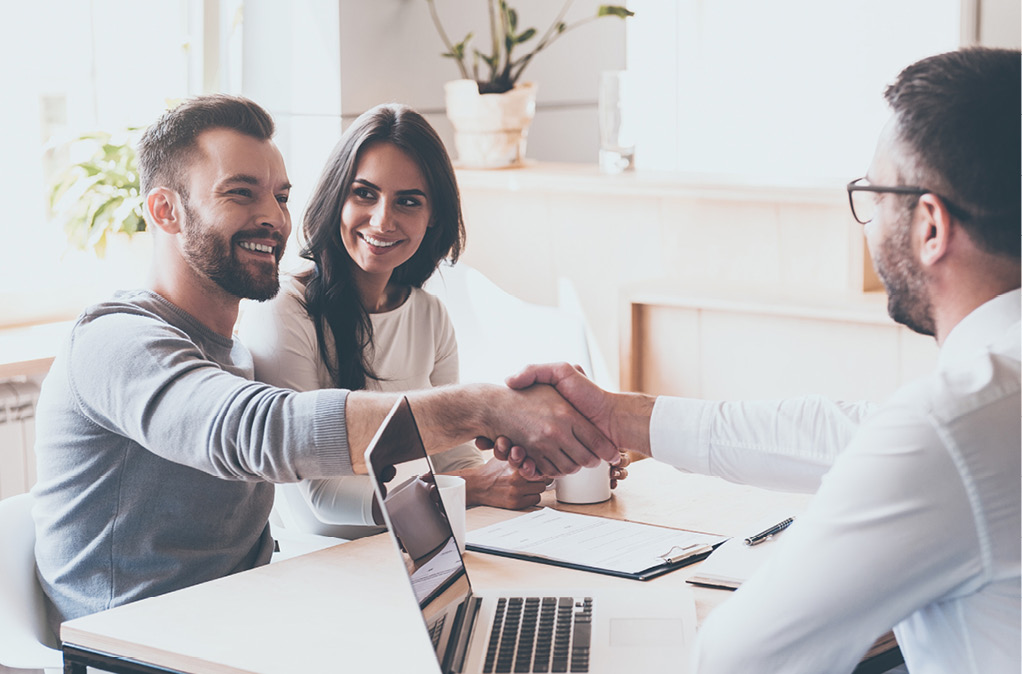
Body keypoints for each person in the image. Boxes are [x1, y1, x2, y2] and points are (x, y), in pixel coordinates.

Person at [497, 47, 1021, 673]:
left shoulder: (952, 428)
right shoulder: (985, 403)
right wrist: (618, 419)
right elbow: (850, 432)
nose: (868, 221)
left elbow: (737, 660)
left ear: (930, 226)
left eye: (875, 193)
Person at [30, 94, 619, 634]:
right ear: (165, 211)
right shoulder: (116, 341)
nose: (274, 219)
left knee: (523, 630)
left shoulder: (233, 348)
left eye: (280, 196)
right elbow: (260, 432)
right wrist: (488, 406)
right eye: (241, 193)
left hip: (254, 614)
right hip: (141, 643)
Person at [239, 103, 617, 538]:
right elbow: (322, 499)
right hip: (328, 570)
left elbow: (452, 460)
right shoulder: (283, 311)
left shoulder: (428, 314)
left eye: (408, 201)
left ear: (432, 215)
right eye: (365, 193)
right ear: (335, 195)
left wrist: (531, 469)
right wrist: (471, 488)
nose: (383, 220)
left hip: (423, 552)